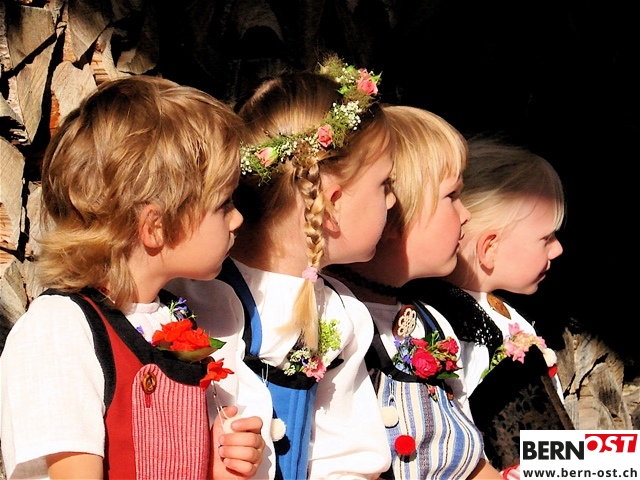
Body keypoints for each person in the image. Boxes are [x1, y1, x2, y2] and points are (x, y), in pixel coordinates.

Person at [0, 76, 265, 480]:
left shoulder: (174, 317)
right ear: (155, 227)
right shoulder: (60, 330)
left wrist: (217, 468)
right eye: (223, 204)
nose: (237, 219)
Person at [166, 55, 395, 480]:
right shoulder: (194, 300)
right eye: (385, 184)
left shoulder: (339, 312)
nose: (393, 200)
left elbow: (346, 462)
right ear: (332, 200)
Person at [326, 105, 503, 479]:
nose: (466, 214)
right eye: (451, 196)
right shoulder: (334, 321)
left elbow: (469, 462)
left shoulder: (434, 321)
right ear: (395, 211)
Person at [406, 136, 572, 477]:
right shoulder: (461, 332)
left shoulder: (497, 309)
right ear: (489, 248)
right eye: (546, 238)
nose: (557, 250)